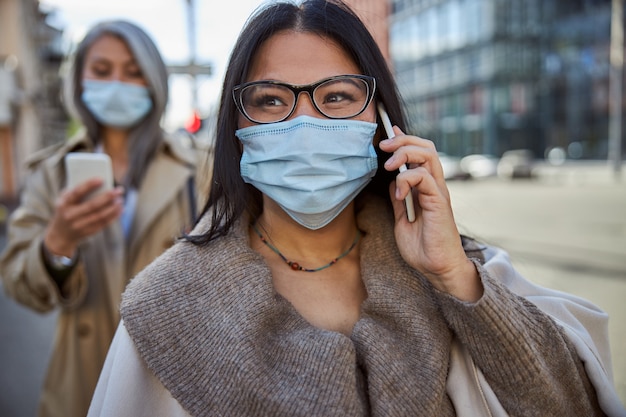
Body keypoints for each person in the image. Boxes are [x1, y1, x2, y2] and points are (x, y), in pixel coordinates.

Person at [88, 1, 626, 416]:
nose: (305, 123)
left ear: (384, 123)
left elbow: (573, 402)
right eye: (271, 100)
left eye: (339, 97)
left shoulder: (468, 271)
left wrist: (455, 277)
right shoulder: (168, 306)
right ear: (237, 126)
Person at [0, 20, 204, 417]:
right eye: (102, 70)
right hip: (79, 383)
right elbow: (16, 281)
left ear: (154, 81)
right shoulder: (50, 173)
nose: (117, 83)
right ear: (79, 80)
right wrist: (57, 244)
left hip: (174, 382)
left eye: (133, 71)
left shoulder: (202, 168)